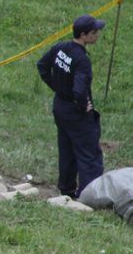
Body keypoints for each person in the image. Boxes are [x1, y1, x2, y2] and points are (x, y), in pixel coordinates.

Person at [37, 14, 106, 198]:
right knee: (89, 154)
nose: (98, 34)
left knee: (66, 149)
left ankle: (66, 189)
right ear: (84, 35)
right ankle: (90, 196)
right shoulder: (82, 60)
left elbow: (42, 65)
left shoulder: (61, 47)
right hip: (76, 113)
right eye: (94, 32)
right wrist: (83, 105)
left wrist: (58, 89)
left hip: (60, 107)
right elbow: (79, 89)